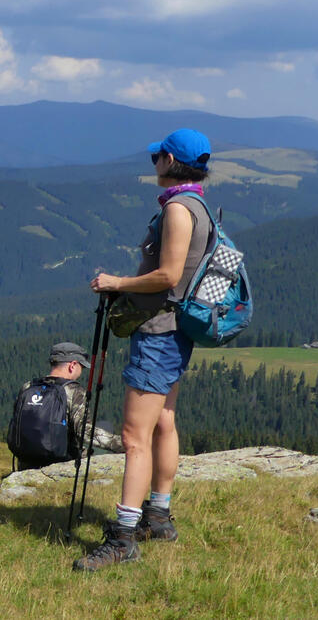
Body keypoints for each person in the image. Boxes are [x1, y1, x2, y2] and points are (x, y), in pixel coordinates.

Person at [75, 129, 214, 571]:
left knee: (135, 437)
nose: (154, 161)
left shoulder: (177, 209)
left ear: (169, 160)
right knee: (164, 423)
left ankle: (122, 539)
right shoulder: (199, 203)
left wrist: (118, 283)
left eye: (157, 155)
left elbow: (169, 274)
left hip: (159, 332)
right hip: (177, 332)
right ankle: (158, 515)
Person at [11, 342, 123, 472]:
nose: (81, 372)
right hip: (61, 463)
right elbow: (84, 432)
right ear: (72, 365)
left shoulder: (28, 387)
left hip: (26, 464)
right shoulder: (73, 391)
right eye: (81, 367)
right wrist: (121, 444)